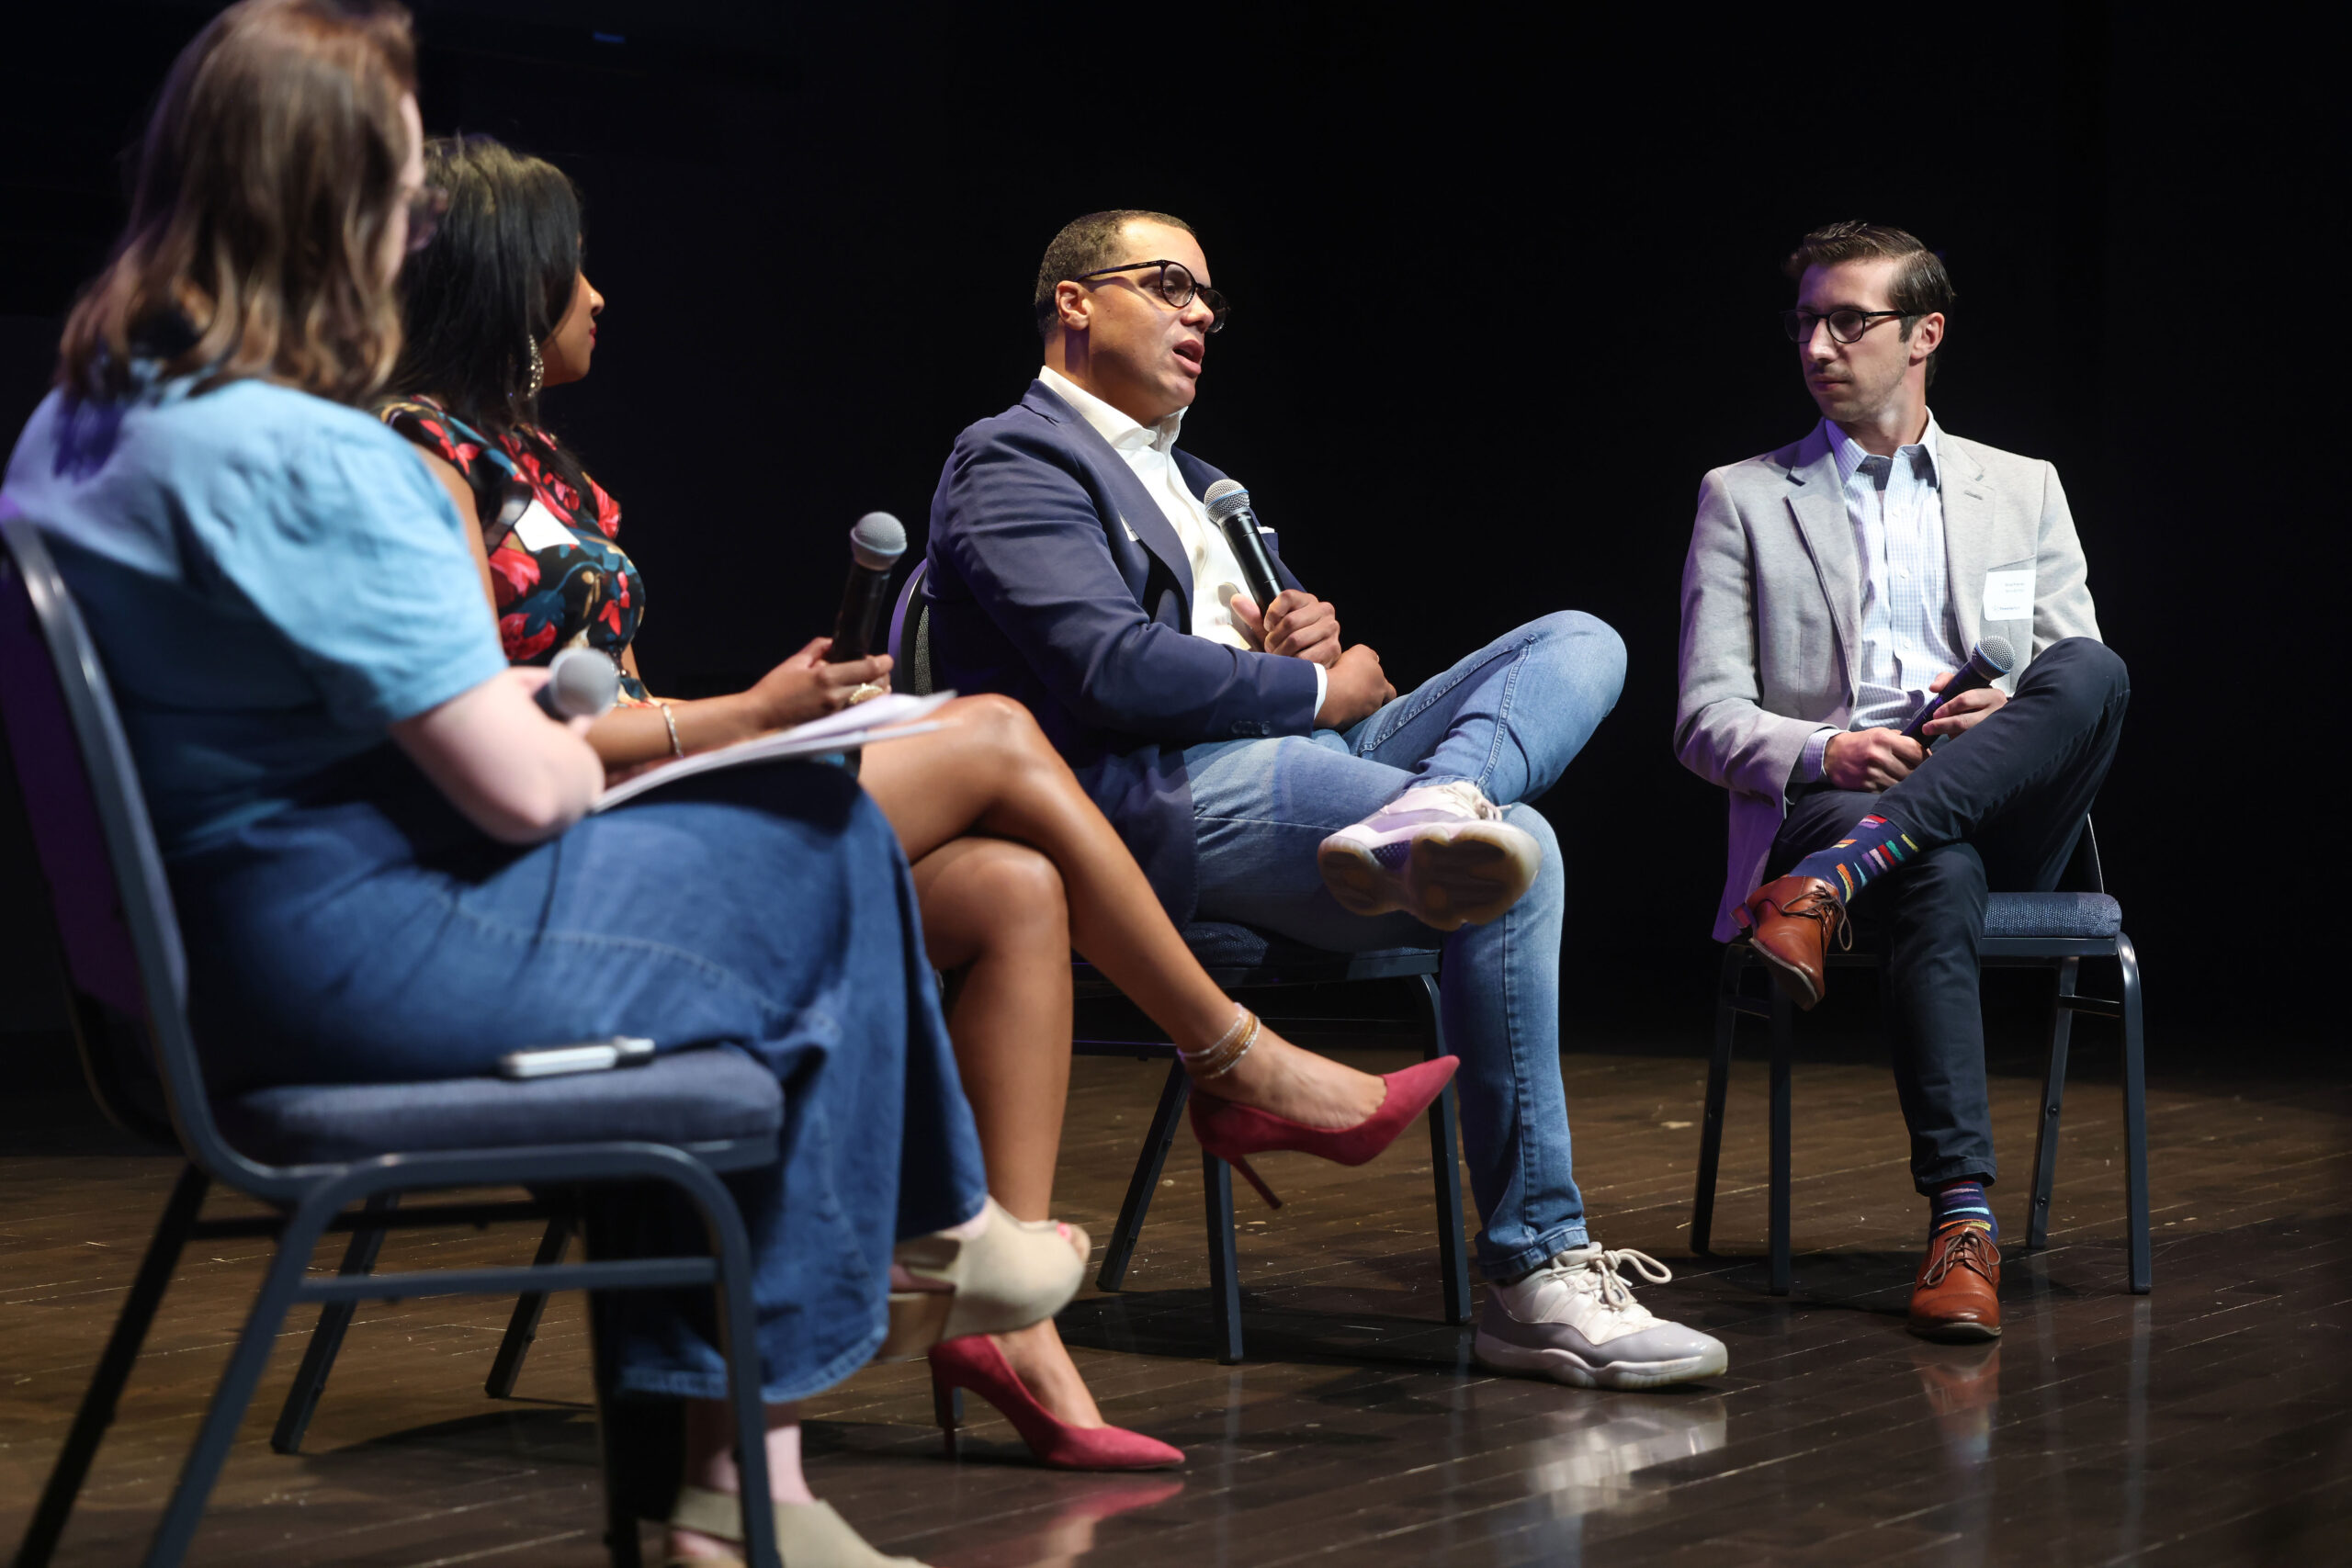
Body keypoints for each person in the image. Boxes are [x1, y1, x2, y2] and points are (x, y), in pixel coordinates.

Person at [0, 6, 1087, 1565]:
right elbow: (520, 798)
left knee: (761, 946)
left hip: (189, 983)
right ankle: (902, 1279)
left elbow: (293, 697)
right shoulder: (332, 459)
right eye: (398, 189)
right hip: (339, 971)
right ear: (333, 210)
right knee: (820, 836)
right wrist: (645, 744)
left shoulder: (88, 421)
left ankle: (824, 1393)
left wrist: (500, 701)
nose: (412, 224)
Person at [378, 136, 1459, 1467]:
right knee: (996, 731)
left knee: (1014, 886)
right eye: (571, 268)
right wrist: (743, 718)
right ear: (502, 282)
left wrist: (762, 719)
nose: (596, 294)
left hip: (642, 799)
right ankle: (1235, 1057)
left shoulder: (543, 466)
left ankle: (1011, 1326)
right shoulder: (415, 460)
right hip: (552, 855)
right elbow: (474, 725)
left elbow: (611, 694)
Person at [924, 209, 1729, 1390]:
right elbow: (1108, 670)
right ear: (1075, 302)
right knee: (1524, 853)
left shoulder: (1205, 484)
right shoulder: (1013, 457)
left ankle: (1443, 798)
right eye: (1170, 285)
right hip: (1147, 799)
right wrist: (1313, 684)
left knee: (1579, 637)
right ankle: (1535, 1270)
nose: (1202, 313)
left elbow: (1331, 679)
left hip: (1293, 762)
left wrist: (1313, 642)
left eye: (1210, 297)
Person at [1674, 221, 2130, 1342]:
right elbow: (1703, 718)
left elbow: (2065, 678)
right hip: (1843, 796)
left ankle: (1831, 884)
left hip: (2001, 799)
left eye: (1848, 322)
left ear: (1924, 334)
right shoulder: (1745, 496)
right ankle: (1962, 1224)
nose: (1817, 347)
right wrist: (1822, 750)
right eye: (1805, 324)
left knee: (2093, 670)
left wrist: (2002, 705)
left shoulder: (2020, 488)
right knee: (1938, 866)